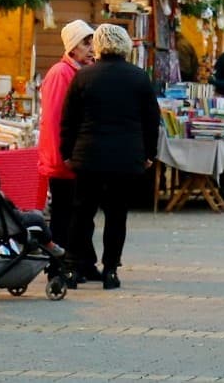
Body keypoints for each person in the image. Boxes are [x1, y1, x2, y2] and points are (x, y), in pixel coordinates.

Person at [60, 24, 160, 290]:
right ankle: (111, 270)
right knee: (117, 214)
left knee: (82, 212)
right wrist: (149, 154)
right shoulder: (139, 77)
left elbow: (69, 119)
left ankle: (70, 267)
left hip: (89, 155)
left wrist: (67, 153)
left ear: (100, 46)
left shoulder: (83, 77)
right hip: (125, 158)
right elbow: (151, 120)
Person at [36, 19, 95, 254]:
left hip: (73, 156)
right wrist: (64, 155)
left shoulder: (78, 72)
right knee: (65, 213)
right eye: (86, 43)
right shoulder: (62, 73)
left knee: (79, 212)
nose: (91, 48)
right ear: (72, 47)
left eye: (92, 42)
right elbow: (55, 119)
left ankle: (83, 260)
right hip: (64, 158)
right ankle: (61, 263)